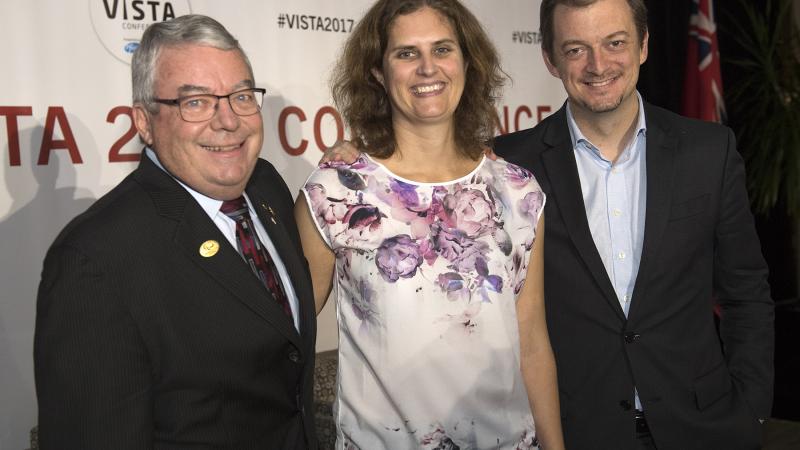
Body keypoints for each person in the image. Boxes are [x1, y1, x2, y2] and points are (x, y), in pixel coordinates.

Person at [494, 0, 773, 449]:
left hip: (705, 430)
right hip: (576, 434)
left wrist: (752, 412)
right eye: (576, 49)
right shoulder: (507, 164)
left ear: (643, 45)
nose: (598, 65)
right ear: (549, 58)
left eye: (615, 42)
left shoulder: (709, 151)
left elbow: (747, 292)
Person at [34, 15, 316, 450]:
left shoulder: (267, 187)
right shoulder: (94, 261)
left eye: (241, 96)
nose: (229, 121)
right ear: (144, 122)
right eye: (197, 102)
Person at [294, 0, 565, 449]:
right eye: (406, 53)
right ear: (378, 72)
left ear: (466, 62)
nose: (427, 68)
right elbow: (287, 337)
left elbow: (533, 342)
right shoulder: (337, 192)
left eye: (442, 49)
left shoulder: (517, 191)